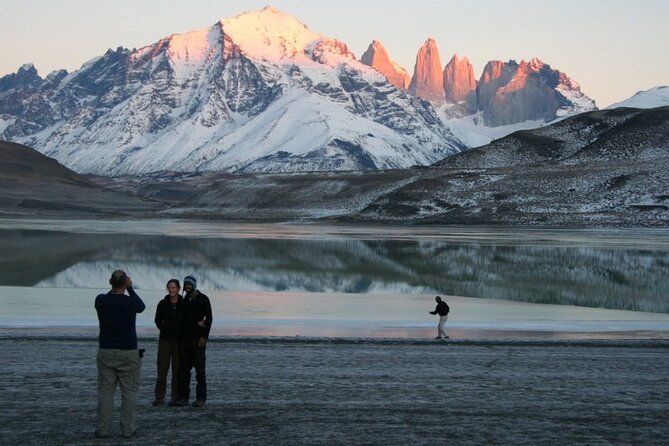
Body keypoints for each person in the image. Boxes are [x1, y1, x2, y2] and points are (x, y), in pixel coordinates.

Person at [94, 270, 146, 439]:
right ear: (125, 282)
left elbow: (109, 296)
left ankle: (103, 429)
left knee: (105, 392)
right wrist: (129, 288)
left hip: (106, 351)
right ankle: (128, 429)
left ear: (110, 283)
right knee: (129, 392)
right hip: (128, 351)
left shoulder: (101, 300)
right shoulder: (130, 303)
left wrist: (117, 286)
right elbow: (141, 306)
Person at [176, 274, 212, 407]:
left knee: (200, 371)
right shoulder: (184, 300)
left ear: (194, 285)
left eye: (189, 284)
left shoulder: (203, 299)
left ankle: (201, 399)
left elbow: (209, 318)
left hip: (198, 340)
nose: (187, 287)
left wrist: (204, 337)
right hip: (185, 340)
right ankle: (183, 398)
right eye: (185, 285)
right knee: (184, 370)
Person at [153, 279, 182, 406]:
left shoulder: (183, 303)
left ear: (178, 288)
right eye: (169, 287)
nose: (171, 290)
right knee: (162, 371)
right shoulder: (162, 303)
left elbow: (189, 318)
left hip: (179, 341)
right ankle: (159, 398)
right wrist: (164, 329)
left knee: (177, 371)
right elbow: (157, 320)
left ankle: (175, 398)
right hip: (165, 340)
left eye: (174, 287)